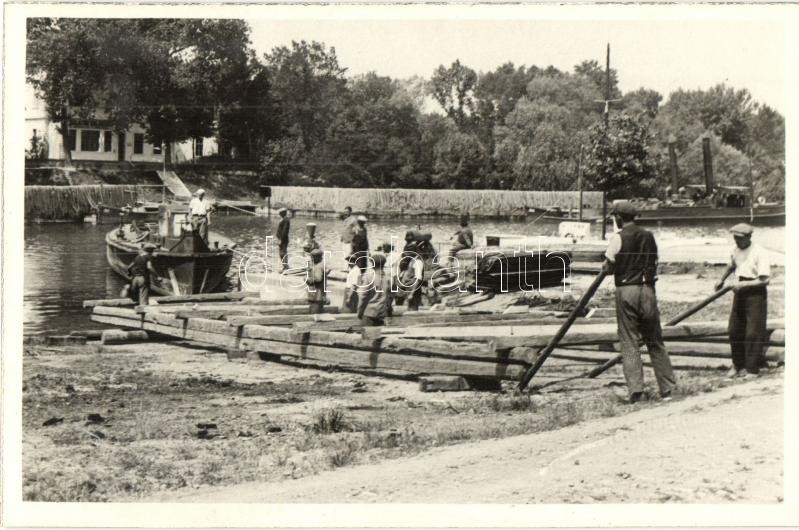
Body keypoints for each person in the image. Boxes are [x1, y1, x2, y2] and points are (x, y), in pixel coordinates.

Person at [603, 200, 676, 403]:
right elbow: (654, 261)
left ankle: (637, 391)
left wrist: (610, 267)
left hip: (627, 290)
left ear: (618, 218)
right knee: (655, 341)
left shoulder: (618, 238)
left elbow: (609, 266)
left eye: (614, 217)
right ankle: (668, 388)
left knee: (629, 342)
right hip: (648, 290)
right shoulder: (649, 236)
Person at [714, 223, 770, 379]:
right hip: (739, 290)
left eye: (739, 238)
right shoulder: (736, 250)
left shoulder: (760, 252)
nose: (736, 241)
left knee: (753, 331)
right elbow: (732, 265)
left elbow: (764, 280)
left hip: (755, 292)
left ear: (748, 237)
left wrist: (743, 285)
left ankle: (752, 369)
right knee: (734, 329)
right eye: (735, 238)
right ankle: (737, 365)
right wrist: (721, 279)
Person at [357, 253, 393, 326]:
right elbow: (390, 298)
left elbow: (362, 296)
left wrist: (360, 311)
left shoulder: (369, 277)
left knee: (366, 332)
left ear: (373, 264)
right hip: (381, 314)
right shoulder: (388, 279)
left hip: (369, 313)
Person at [306, 248, 329, 314]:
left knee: (315, 314)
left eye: (313, 257)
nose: (311, 259)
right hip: (315, 294)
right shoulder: (317, 265)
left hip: (317, 295)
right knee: (314, 312)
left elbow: (318, 279)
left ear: (318, 257)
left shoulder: (319, 266)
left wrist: (307, 279)